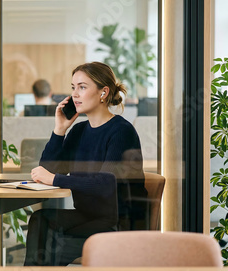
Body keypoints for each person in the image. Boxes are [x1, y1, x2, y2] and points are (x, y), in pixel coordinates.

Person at [24, 62, 148, 266]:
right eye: (73, 87)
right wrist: (59, 130)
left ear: (103, 92)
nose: (75, 94)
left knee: (50, 243)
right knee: (40, 220)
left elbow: (105, 183)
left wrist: (55, 179)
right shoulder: (79, 131)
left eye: (82, 87)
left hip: (119, 223)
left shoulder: (121, 131)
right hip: (89, 217)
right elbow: (49, 169)